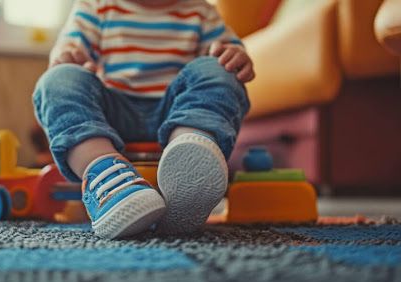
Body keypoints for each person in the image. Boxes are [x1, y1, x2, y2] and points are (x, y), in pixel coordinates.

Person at [33, 0, 254, 239]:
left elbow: (226, 56)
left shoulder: (201, 11)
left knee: (221, 70)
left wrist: (235, 57)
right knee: (58, 80)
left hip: (179, 116)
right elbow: (67, 49)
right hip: (111, 119)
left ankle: (190, 155)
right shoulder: (97, 5)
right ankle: (103, 170)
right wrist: (67, 56)